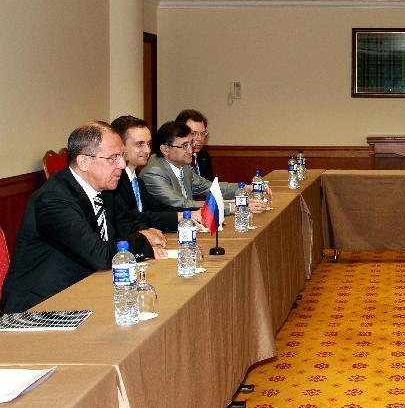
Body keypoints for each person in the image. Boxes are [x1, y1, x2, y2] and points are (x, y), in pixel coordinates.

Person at [1, 122, 167, 313]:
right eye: (114, 158)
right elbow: (99, 255)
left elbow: (127, 223)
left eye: (121, 156)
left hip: (84, 290)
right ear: (84, 162)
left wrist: (149, 233)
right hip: (41, 306)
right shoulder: (53, 200)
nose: (122, 164)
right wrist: (143, 239)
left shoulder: (104, 191)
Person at [140, 121, 268, 213]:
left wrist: (246, 189)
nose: (191, 150)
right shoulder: (153, 173)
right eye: (184, 146)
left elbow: (208, 187)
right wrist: (234, 207)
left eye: (190, 144)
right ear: (165, 149)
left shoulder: (183, 166)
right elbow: (182, 203)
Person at [110, 115, 198, 232]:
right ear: (120, 146)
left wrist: (192, 213)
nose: (147, 150)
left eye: (149, 144)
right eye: (140, 144)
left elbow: (158, 208)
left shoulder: (137, 181)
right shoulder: (115, 183)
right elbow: (131, 218)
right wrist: (180, 216)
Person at [176, 109, 214, 181]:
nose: (200, 138)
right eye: (193, 133)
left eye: (202, 133)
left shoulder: (204, 156)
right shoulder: (175, 158)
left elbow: (209, 186)